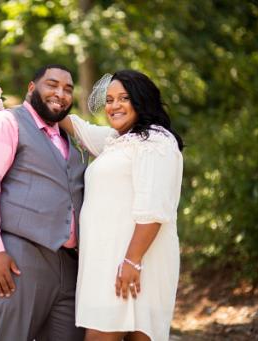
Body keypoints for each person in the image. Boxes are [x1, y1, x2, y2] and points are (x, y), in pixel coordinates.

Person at [0, 64, 86, 340]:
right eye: (52, 84)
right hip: (15, 254)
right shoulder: (6, 123)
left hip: (67, 263)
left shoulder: (70, 142)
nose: (60, 93)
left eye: (68, 89)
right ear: (32, 88)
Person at [59, 70, 184, 341]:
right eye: (110, 99)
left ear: (142, 100)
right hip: (107, 261)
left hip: (137, 261)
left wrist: (132, 261)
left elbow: (153, 208)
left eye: (123, 98)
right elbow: (76, 125)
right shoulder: (115, 140)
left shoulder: (156, 141)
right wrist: (29, 103)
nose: (114, 106)